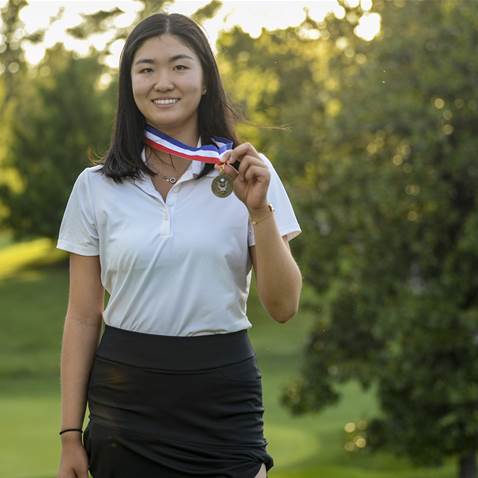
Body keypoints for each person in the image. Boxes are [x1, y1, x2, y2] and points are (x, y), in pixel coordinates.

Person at [56, 12, 302, 478]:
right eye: (146, 68)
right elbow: (84, 315)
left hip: (221, 401)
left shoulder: (250, 172)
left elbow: (285, 305)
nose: (162, 81)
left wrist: (258, 212)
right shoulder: (95, 186)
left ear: (205, 79)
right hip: (124, 404)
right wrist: (70, 435)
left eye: (180, 66)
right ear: (129, 82)